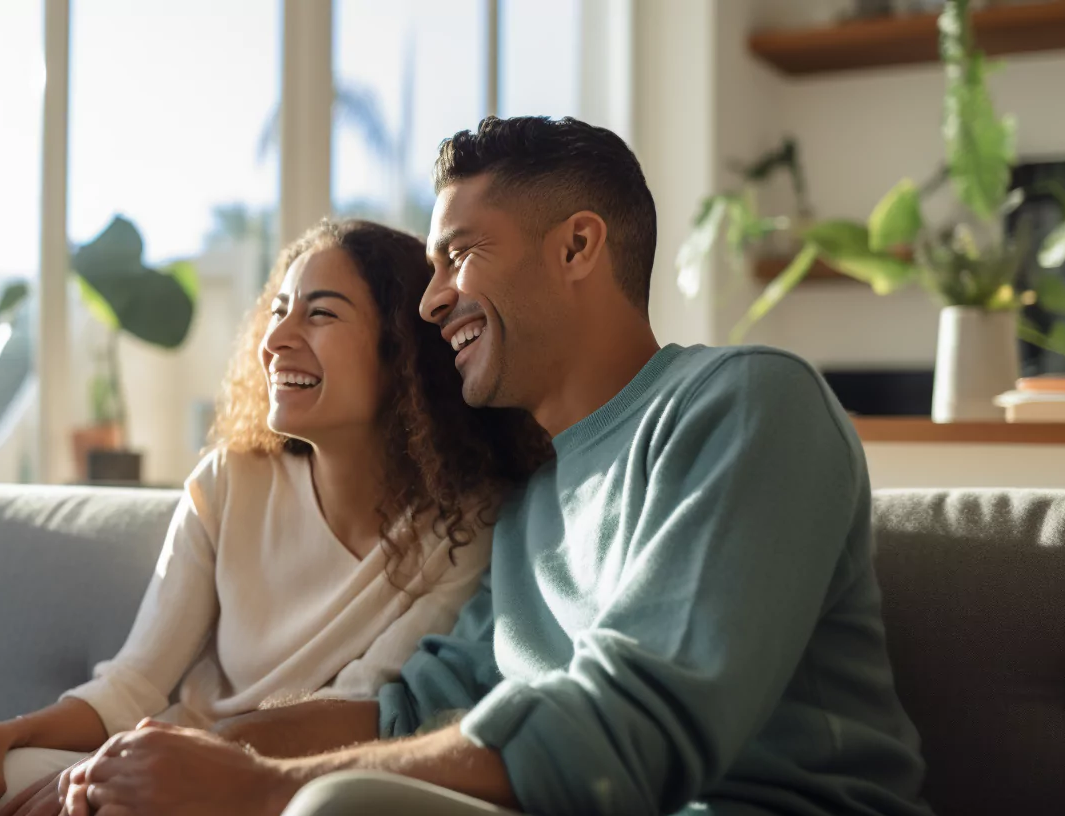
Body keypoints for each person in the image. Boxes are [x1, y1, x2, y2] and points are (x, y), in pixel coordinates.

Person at [52, 116, 934, 816]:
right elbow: (413, 711)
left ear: (578, 248)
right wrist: (197, 751)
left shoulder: (747, 407)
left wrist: (263, 790)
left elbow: (633, 730)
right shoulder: (529, 508)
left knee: (334, 811)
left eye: (462, 254)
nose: (433, 301)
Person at [0, 219, 550, 816]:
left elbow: (367, 707)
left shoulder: (466, 527)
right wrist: (2, 737)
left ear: (405, 357)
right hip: (151, 759)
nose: (277, 340)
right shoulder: (229, 483)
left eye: (321, 313)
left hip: (282, 787)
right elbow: (134, 686)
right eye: (278, 311)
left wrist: (166, 763)